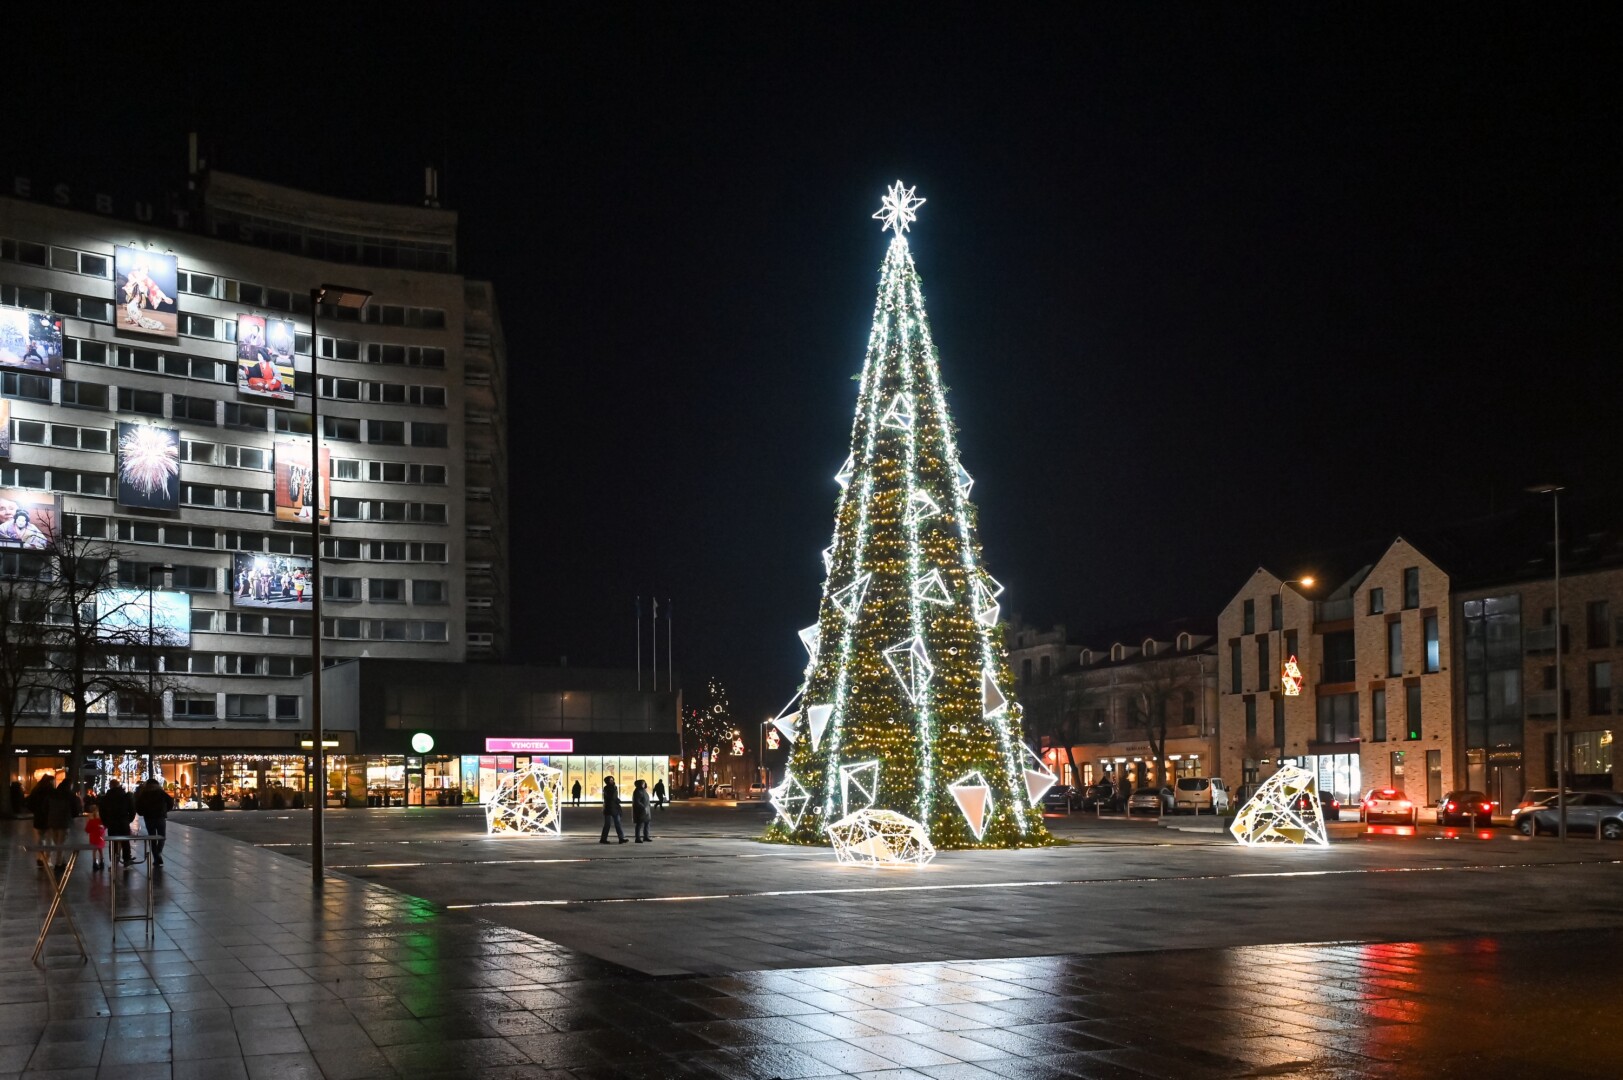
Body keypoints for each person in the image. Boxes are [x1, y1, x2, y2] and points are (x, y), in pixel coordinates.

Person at [135, 778, 173, 866]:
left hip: (149, 818)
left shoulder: (144, 794)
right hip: (160, 817)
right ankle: (158, 853)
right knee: (162, 836)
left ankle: (156, 857)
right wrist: (165, 810)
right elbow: (170, 801)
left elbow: (138, 805)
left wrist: (142, 812)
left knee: (152, 838)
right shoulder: (161, 792)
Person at [45, 782, 81, 876]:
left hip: (52, 821)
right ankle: (59, 863)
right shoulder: (70, 795)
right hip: (64, 821)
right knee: (61, 843)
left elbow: (45, 807)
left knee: (57, 842)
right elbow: (75, 810)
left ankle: (62, 861)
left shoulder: (52, 794)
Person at [100, 779, 137, 866]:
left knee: (113, 842)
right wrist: (129, 820)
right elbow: (132, 809)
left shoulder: (106, 798)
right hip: (123, 821)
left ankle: (114, 860)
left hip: (112, 823)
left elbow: (102, 812)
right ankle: (126, 859)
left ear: (110, 786)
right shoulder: (125, 796)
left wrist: (106, 822)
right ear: (119, 785)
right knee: (125, 841)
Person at [25, 776, 55, 869]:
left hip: (38, 817)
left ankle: (39, 857)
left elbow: (29, 803)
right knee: (50, 839)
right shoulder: (51, 791)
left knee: (40, 839)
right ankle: (47, 859)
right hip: (49, 817)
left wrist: (35, 811)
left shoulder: (36, 790)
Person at [599, 776, 627, 844]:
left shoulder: (614, 787)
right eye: (610, 780)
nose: (612, 781)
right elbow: (611, 797)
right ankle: (603, 839)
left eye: (612, 780)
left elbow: (614, 797)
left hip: (615, 808)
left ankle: (621, 838)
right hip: (608, 808)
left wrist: (617, 800)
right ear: (607, 781)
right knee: (607, 824)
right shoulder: (607, 788)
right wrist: (616, 799)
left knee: (618, 823)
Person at [84, 805, 107, 871]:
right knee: (100, 850)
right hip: (100, 838)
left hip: (93, 838)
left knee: (94, 851)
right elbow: (105, 826)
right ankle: (102, 862)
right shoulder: (101, 820)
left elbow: (87, 829)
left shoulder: (90, 821)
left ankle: (95, 863)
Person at [632, 779, 652, 843]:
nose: (644, 784)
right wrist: (643, 807)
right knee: (639, 824)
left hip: (646, 810)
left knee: (647, 823)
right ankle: (637, 838)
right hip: (641, 810)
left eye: (644, 783)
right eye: (642, 783)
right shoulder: (638, 791)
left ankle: (646, 836)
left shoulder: (643, 791)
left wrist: (648, 805)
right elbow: (637, 801)